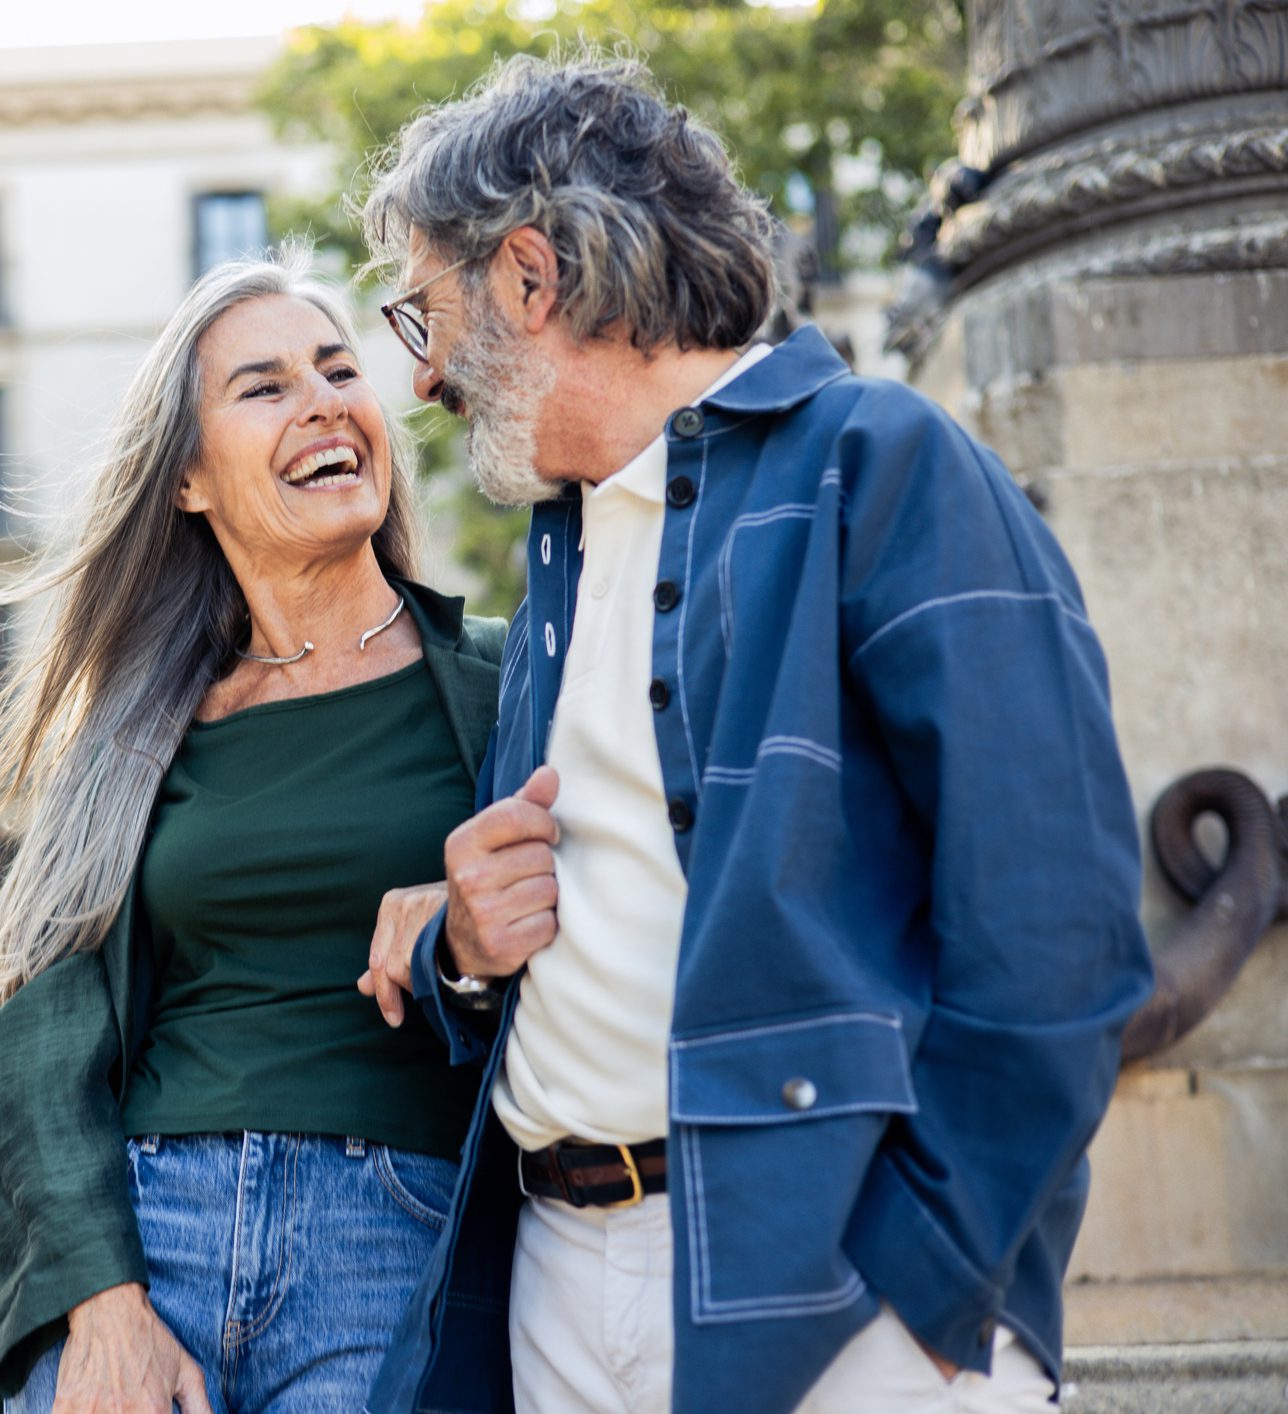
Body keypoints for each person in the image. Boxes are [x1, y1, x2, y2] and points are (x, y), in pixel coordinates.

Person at [356, 54, 1154, 1414]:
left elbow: (1056, 924)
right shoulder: (556, 562)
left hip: (842, 1299)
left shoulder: (881, 461)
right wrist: (462, 951)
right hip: (553, 1286)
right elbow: (582, 932)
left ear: (531, 277)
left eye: (423, 313)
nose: (423, 375)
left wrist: (924, 1279)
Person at [0, 249, 507, 1412]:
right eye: (265, 385)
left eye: (337, 368)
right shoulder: (134, 729)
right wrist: (100, 1301)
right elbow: (34, 1035)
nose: (323, 401)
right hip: (148, 1236)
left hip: (393, 1240)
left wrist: (462, 928)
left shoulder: (504, 680)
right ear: (187, 479)